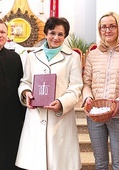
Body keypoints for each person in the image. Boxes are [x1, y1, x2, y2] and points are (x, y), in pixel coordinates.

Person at [15, 17, 83, 170]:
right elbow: (25, 81)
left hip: (60, 118)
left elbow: (76, 87)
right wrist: (26, 93)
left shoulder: (73, 57)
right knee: (35, 163)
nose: (56, 37)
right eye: (52, 33)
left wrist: (61, 102)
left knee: (59, 164)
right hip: (36, 116)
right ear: (46, 33)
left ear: (65, 36)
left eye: (60, 34)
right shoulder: (32, 56)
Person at [82, 11, 119, 170]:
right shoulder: (93, 55)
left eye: (111, 26)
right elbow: (86, 83)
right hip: (95, 115)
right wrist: (87, 98)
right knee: (100, 163)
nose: (107, 30)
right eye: (103, 27)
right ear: (99, 29)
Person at [0, 19, 26, 170]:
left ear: (7, 34)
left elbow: (20, 85)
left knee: (10, 155)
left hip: (10, 119)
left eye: (2, 32)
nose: (0, 35)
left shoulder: (14, 58)